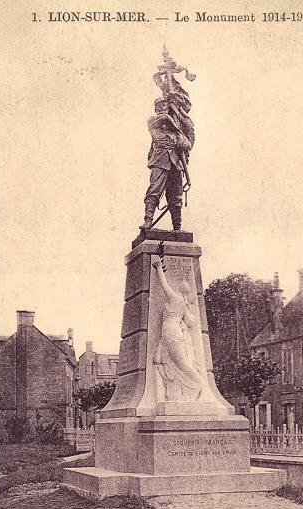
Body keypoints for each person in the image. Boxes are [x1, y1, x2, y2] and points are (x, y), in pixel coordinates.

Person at [152, 258, 204, 400]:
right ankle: (195, 386)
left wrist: (158, 267)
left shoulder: (175, 298)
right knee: (177, 362)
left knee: (180, 363)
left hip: (171, 332)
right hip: (174, 333)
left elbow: (164, 284)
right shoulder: (184, 304)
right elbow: (189, 322)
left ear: (180, 290)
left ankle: (199, 385)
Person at [139, 97, 192, 231]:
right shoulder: (153, 120)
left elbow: (186, 144)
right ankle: (148, 221)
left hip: (176, 163)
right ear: (155, 108)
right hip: (160, 160)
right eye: (159, 105)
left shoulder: (176, 129)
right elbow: (164, 121)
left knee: (176, 196)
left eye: (165, 105)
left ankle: (177, 227)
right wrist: (175, 123)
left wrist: (179, 124)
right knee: (154, 190)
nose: (162, 108)